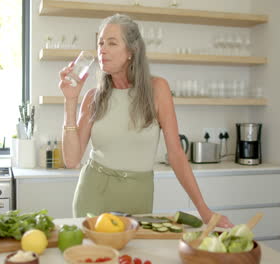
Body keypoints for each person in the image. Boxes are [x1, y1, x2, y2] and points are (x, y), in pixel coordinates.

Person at [58, 14, 232, 228]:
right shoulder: (93, 97)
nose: (102, 49)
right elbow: (71, 159)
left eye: (112, 43)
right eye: (100, 43)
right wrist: (70, 100)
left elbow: (176, 154)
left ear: (131, 51)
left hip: (137, 196)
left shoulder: (157, 89)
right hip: (93, 193)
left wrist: (204, 211)